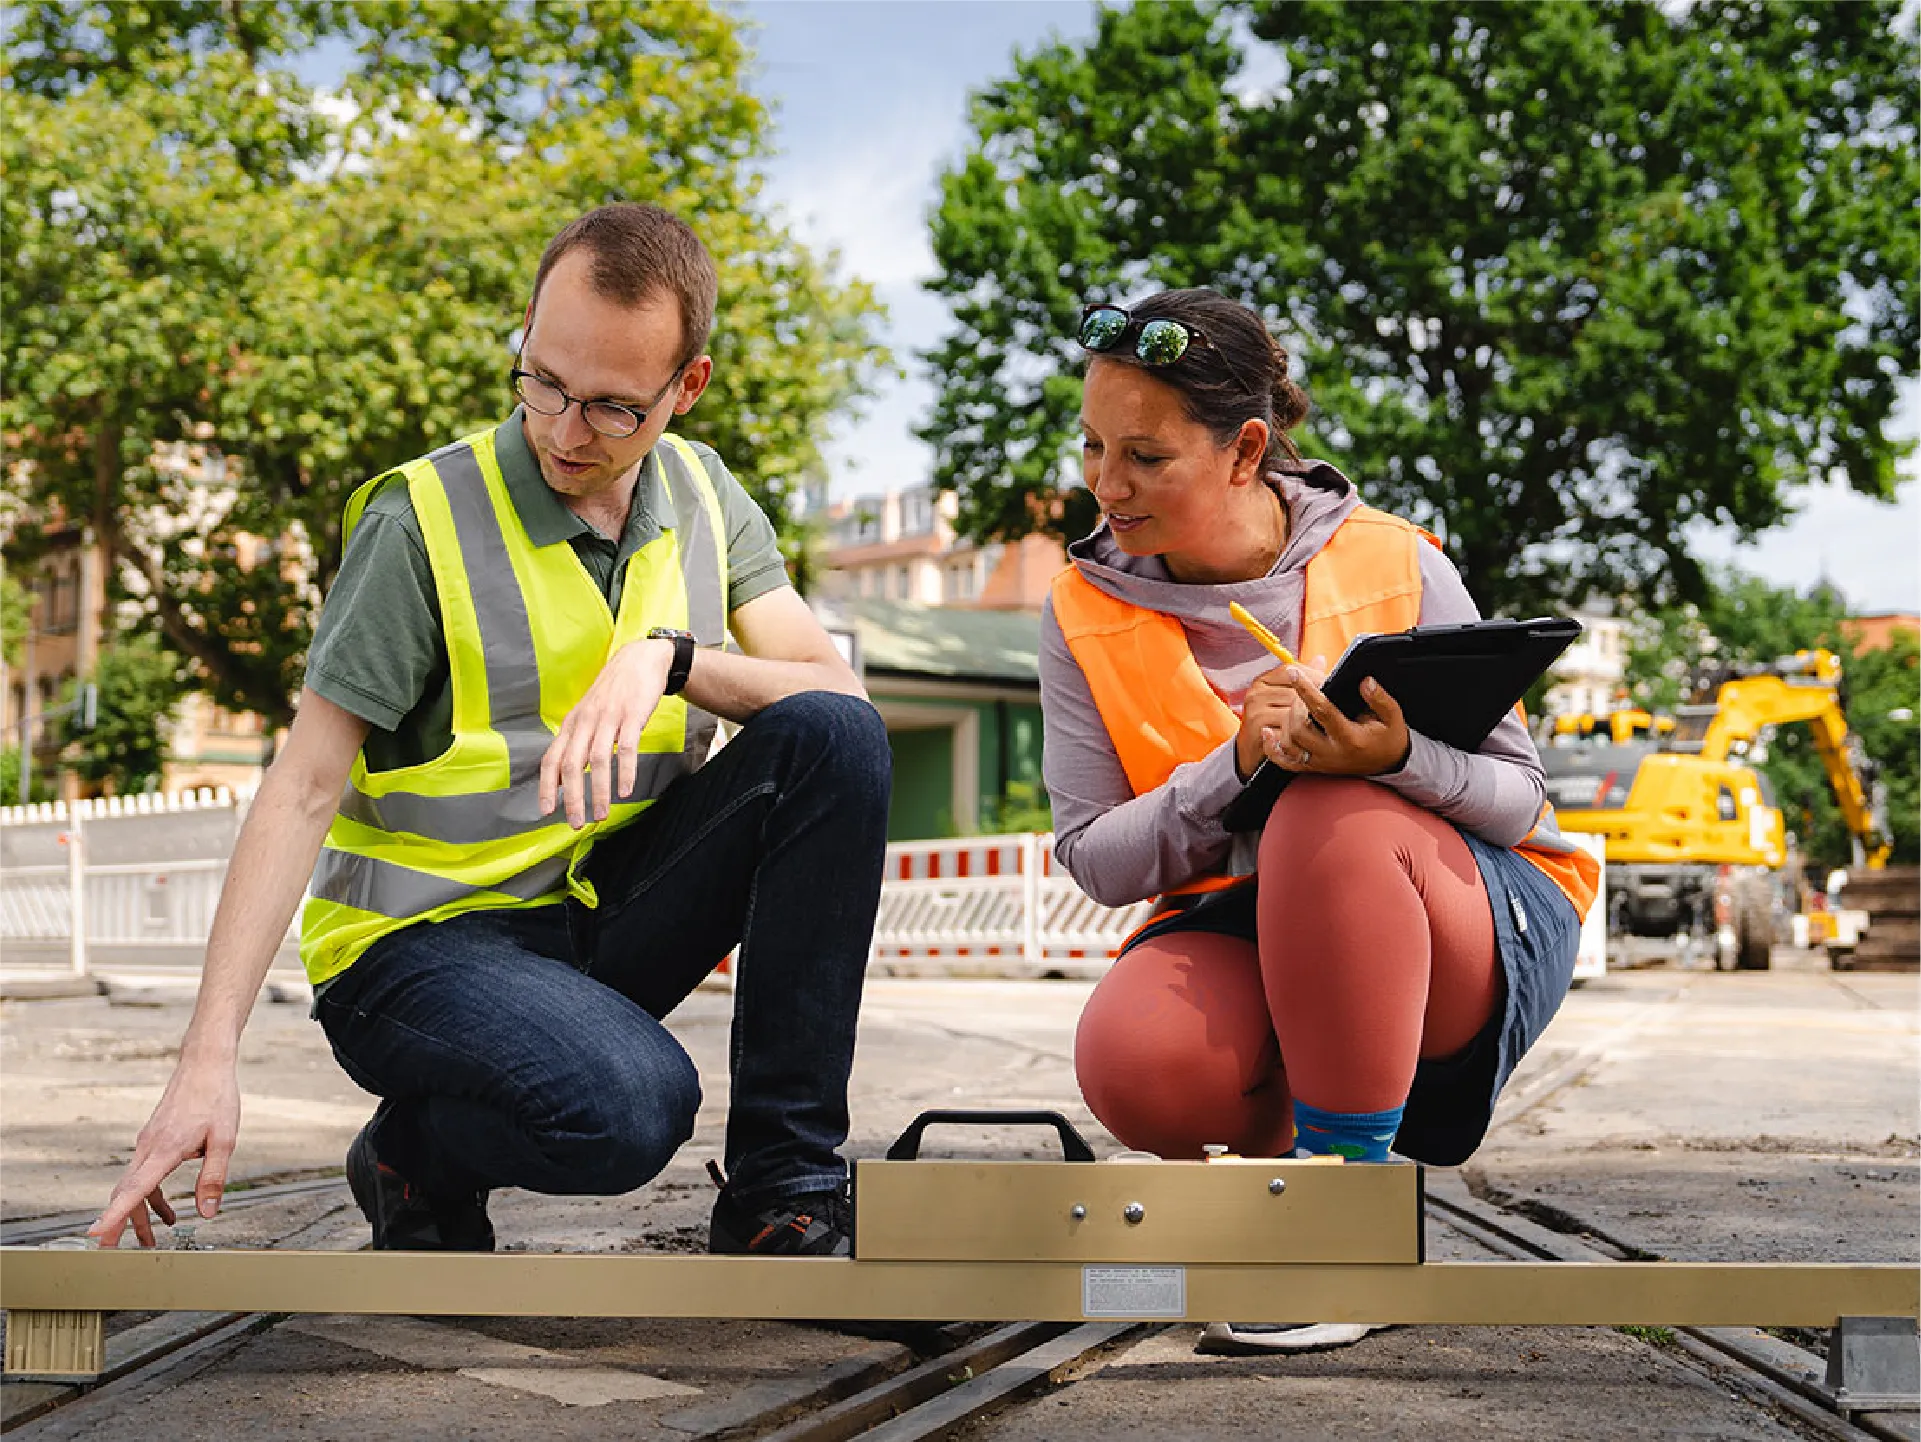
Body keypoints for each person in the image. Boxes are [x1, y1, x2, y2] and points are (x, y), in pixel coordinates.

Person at [93, 203, 891, 1258]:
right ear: (526, 330)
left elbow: (834, 696)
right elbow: (300, 787)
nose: (564, 431)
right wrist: (205, 1058)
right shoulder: (419, 520)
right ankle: (413, 1153)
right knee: (633, 1107)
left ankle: (783, 1190)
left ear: (684, 387)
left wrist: (672, 655)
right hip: (416, 950)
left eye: (611, 408)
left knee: (833, 741)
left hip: (589, 913)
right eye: (544, 381)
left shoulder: (703, 495)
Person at [1042, 289, 1598, 1352]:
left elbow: (1521, 799)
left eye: (1145, 457)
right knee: (1139, 1064)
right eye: (1092, 446)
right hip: (1253, 923)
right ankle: (1310, 1139)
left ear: (1246, 449)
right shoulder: (1078, 608)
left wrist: (1392, 758)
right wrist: (1236, 761)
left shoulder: (1397, 560)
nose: (1105, 486)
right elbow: (1096, 860)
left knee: (1327, 807)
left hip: (1460, 927)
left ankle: (1347, 1213)